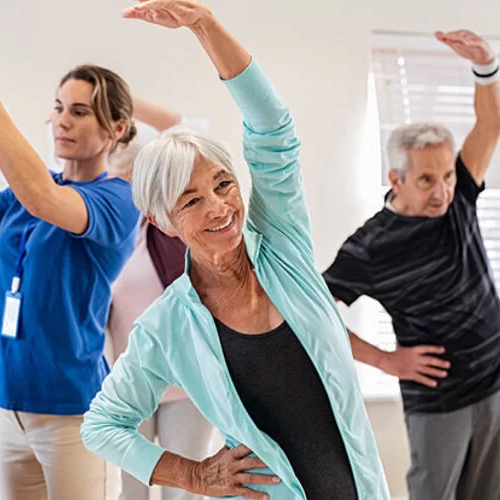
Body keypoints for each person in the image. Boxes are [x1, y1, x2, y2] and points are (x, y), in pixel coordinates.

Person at [80, 1, 389, 499]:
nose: (220, 207)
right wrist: (194, 476)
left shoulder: (283, 246)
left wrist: (204, 26)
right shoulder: (168, 325)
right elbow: (103, 425)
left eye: (223, 184)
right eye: (192, 199)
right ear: (162, 221)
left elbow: (273, 129)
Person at [0, 22, 141, 500]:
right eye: (58, 108)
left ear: (116, 128)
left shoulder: (117, 200)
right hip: (8, 408)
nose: (62, 121)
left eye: (80, 112)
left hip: (74, 416)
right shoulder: (22, 197)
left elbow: (42, 197)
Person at [324, 29, 500, 500]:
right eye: (427, 179)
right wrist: (387, 361)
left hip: (495, 375)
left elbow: (491, 124)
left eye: (448, 174)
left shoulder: (459, 200)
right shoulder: (369, 246)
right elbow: (313, 315)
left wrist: (486, 64)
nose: (442, 190)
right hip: (439, 399)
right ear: (396, 178)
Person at [103, 102, 216, 500]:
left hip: (188, 385)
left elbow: (189, 125)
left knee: (181, 493)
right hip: (132, 385)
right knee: (130, 491)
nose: (119, 183)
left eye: (126, 175)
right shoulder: (113, 233)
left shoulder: (174, 225)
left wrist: (121, 102)